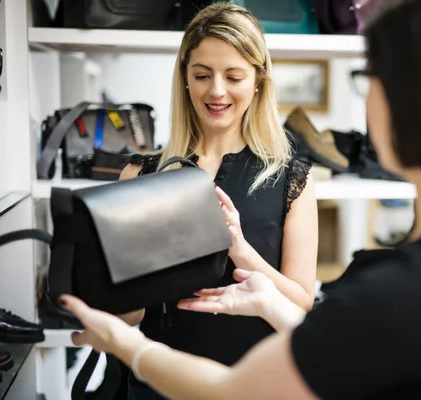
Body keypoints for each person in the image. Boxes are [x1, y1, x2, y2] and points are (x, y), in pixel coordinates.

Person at [60, 0, 421, 398]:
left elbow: (234, 392)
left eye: (371, 77)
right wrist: (269, 302)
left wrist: (123, 344)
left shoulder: (397, 294)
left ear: (416, 100)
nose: (366, 99)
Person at [116, 2, 318, 398]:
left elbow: (300, 303)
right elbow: (127, 316)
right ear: (185, 78)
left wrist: (243, 254)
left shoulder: (291, 178)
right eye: (202, 74)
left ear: (258, 80)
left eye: (234, 76)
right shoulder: (140, 175)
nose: (217, 90)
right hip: (158, 385)